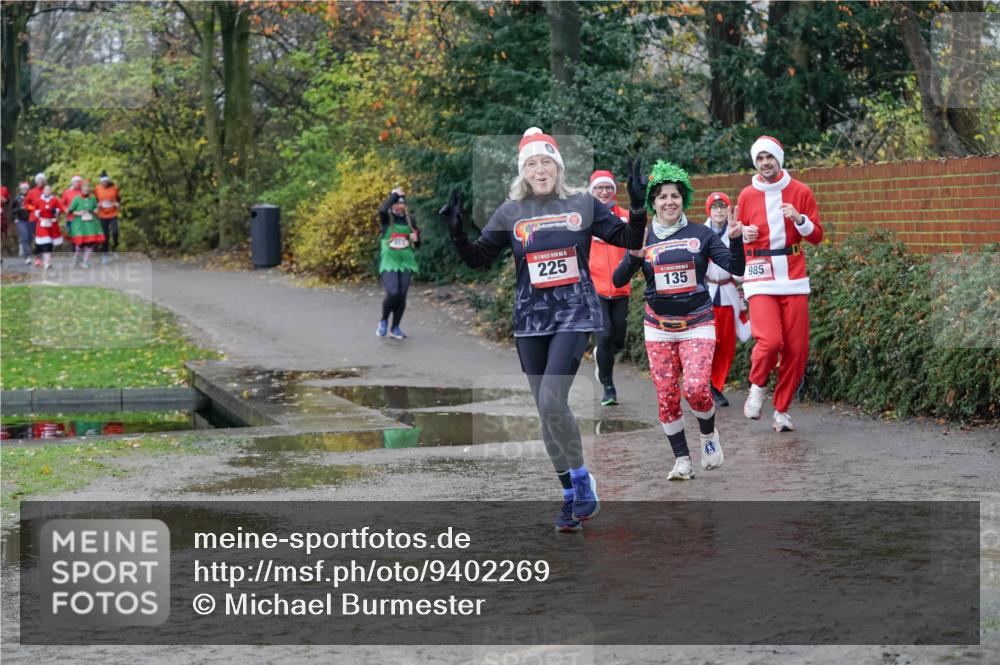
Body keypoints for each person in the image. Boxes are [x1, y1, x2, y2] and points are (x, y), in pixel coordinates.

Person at [440, 127, 647, 531]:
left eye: (547, 162)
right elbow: (479, 258)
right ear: (523, 171)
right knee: (546, 411)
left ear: (558, 167)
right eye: (532, 163)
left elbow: (627, 238)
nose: (540, 169)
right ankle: (569, 495)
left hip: (574, 313)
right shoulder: (509, 212)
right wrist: (457, 231)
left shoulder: (583, 204)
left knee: (553, 400)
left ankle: (584, 482)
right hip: (530, 321)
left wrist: (637, 207)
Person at [612, 161, 745, 481]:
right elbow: (618, 280)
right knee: (667, 395)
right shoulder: (642, 236)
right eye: (661, 197)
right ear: (652, 203)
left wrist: (736, 239)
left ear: (683, 198)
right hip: (658, 327)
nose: (669, 202)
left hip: (698, 323)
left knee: (697, 387)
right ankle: (682, 460)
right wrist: (634, 255)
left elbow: (736, 269)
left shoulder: (700, 234)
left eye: (674, 195)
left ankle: (709, 437)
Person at [737, 135, 824, 432]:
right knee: (770, 341)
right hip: (760, 275)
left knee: (797, 349)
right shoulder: (747, 194)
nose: (765, 164)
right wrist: (743, 233)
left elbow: (817, 236)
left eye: (769, 158)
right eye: (760, 159)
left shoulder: (800, 191)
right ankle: (757, 386)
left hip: (793, 276)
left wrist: (800, 219)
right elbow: (737, 229)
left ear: (779, 159)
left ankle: (782, 410)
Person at [587, 170, 631, 406]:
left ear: (614, 191)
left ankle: (602, 357)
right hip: (595, 289)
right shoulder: (583, 218)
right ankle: (608, 386)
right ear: (591, 191)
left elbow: (638, 244)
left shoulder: (624, 217)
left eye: (608, 188)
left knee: (618, 341)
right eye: (599, 188)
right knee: (603, 336)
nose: (604, 192)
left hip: (621, 288)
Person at [703, 192, 751, 407]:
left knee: (727, 344)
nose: (719, 211)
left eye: (723, 206)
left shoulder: (736, 232)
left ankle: (717, 386)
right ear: (709, 211)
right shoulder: (701, 234)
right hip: (707, 294)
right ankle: (704, 384)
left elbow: (741, 271)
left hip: (728, 294)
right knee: (708, 343)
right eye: (715, 207)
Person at [376, 187, 420, 339]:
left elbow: (417, 243)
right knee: (393, 292)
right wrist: (394, 194)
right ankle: (383, 321)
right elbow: (382, 209)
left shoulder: (410, 220)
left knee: (402, 295)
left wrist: (417, 239)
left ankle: (395, 327)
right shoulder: (387, 219)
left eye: (402, 203)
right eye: (396, 203)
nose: (399, 206)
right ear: (392, 204)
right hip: (390, 261)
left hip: (406, 261)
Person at [67, 180, 105, 268]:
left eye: (87, 187)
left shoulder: (93, 198)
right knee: (80, 243)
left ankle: (86, 261)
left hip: (91, 223)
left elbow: (96, 208)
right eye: (84, 187)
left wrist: (96, 210)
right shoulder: (77, 199)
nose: (86, 189)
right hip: (80, 224)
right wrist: (77, 212)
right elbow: (70, 211)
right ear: (81, 188)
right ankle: (77, 257)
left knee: (90, 242)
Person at [32, 184, 65, 270]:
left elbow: (61, 209)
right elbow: (34, 210)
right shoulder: (38, 200)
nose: (47, 191)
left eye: (49, 190)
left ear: (51, 191)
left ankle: (47, 262)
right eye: (46, 190)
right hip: (42, 223)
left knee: (49, 243)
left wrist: (56, 210)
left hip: (52, 223)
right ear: (43, 191)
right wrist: (38, 212)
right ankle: (40, 259)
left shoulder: (54, 200)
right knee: (42, 243)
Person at [95, 170, 121, 263]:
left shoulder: (114, 188)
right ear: (101, 181)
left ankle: (115, 247)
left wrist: (117, 204)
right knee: (105, 236)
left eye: (106, 181)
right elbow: (95, 200)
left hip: (113, 213)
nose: (104, 183)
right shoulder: (97, 188)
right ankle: (105, 254)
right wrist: (98, 205)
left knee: (115, 232)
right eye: (103, 181)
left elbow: (118, 199)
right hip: (102, 215)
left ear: (108, 181)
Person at [23, 174, 47, 266]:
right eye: (38, 180)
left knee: (44, 239)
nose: (40, 182)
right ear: (36, 181)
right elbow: (25, 204)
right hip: (34, 218)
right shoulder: (32, 192)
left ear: (44, 181)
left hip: (45, 219)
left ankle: (40, 257)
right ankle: (37, 257)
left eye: (42, 180)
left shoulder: (47, 191)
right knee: (36, 238)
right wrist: (33, 209)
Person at [61, 175, 83, 263]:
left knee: (80, 236)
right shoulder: (67, 192)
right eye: (74, 182)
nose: (76, 183)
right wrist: (65, 209)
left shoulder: (83, 192)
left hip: (82, 218)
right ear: (72, 182)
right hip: (70, 218)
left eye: (78, 182)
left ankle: (78, 255)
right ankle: (75, 253)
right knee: (73, 237)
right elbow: (61, 204)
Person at [13, 182, 34, 262]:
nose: (24, 190)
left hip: (30, 219)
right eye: (23, 188)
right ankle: (27, 256)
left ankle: (22, 245)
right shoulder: (17, 198)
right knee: (25, 236)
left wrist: (29, 207)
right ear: (21, 189)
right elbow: (13, 208)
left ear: (28, 189)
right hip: (21, 220)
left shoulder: (31, 197)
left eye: (26, 188)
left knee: (29, 237)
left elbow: (35, 207)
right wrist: (16, 214)